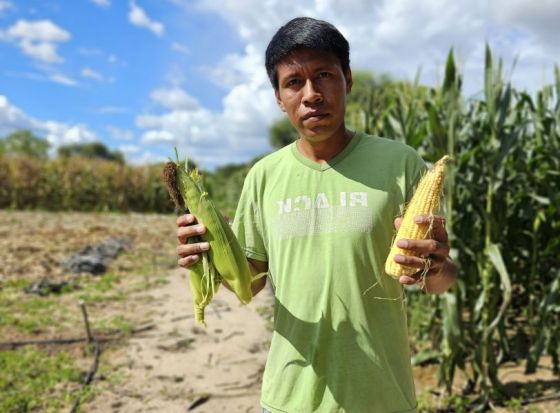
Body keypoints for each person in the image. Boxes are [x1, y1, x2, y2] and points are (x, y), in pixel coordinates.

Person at [176, 17, 457, 413]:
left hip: (380, 396)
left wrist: (437, 265)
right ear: (279, 97)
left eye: (324, 75)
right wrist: (206, 259)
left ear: (347, 80)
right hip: (290, 397)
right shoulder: (264, 176)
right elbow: (249, 284)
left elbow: (439, 281)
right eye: (294, 82)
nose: (311, 94)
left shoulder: (401, 163)